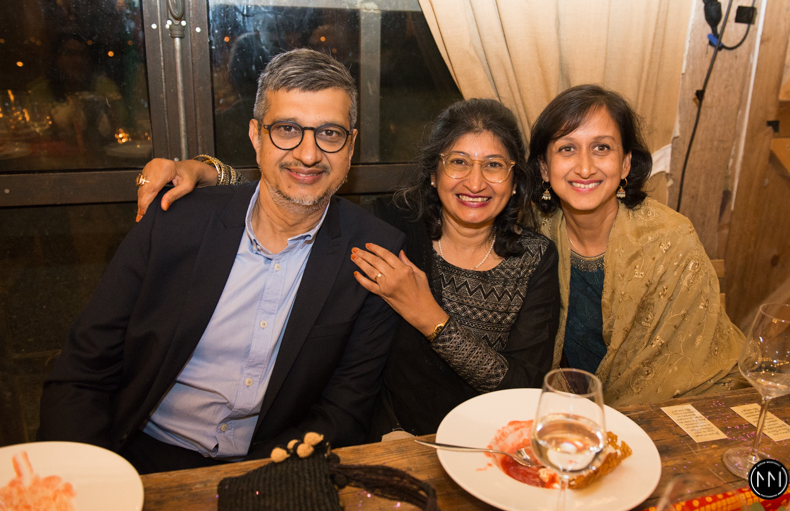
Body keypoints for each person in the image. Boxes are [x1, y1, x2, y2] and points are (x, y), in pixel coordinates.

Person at [38, 49, 405, 474]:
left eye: (329, 133)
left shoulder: (373, 254)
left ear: (351, 145)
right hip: (142, 455)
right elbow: (84, 370)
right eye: (287, 129)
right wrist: (86, 479)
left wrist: (257, 484)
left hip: (274, 465)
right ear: (256, 136)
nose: (308, 154)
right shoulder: (176, 222)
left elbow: (344, 412)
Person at [136, 98, 561, 438]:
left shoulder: (534, 257)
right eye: (459, 162)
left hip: (492, 440)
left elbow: (522, 386)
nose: (475, 182)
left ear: (515, 179)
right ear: (434, 173)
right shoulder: (390, 229)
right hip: (391, 438)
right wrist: (205, 172)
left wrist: (430, 318)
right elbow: (300, 195)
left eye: (494, 165)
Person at [528, 84, 745, 407]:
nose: (585, 167)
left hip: (689, 406)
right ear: (544, 168)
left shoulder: (671, 239)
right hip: (575, 406)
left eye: (601, 148)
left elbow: (673, 371)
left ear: (626, 164)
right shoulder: (534, 232)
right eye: (567, 148)